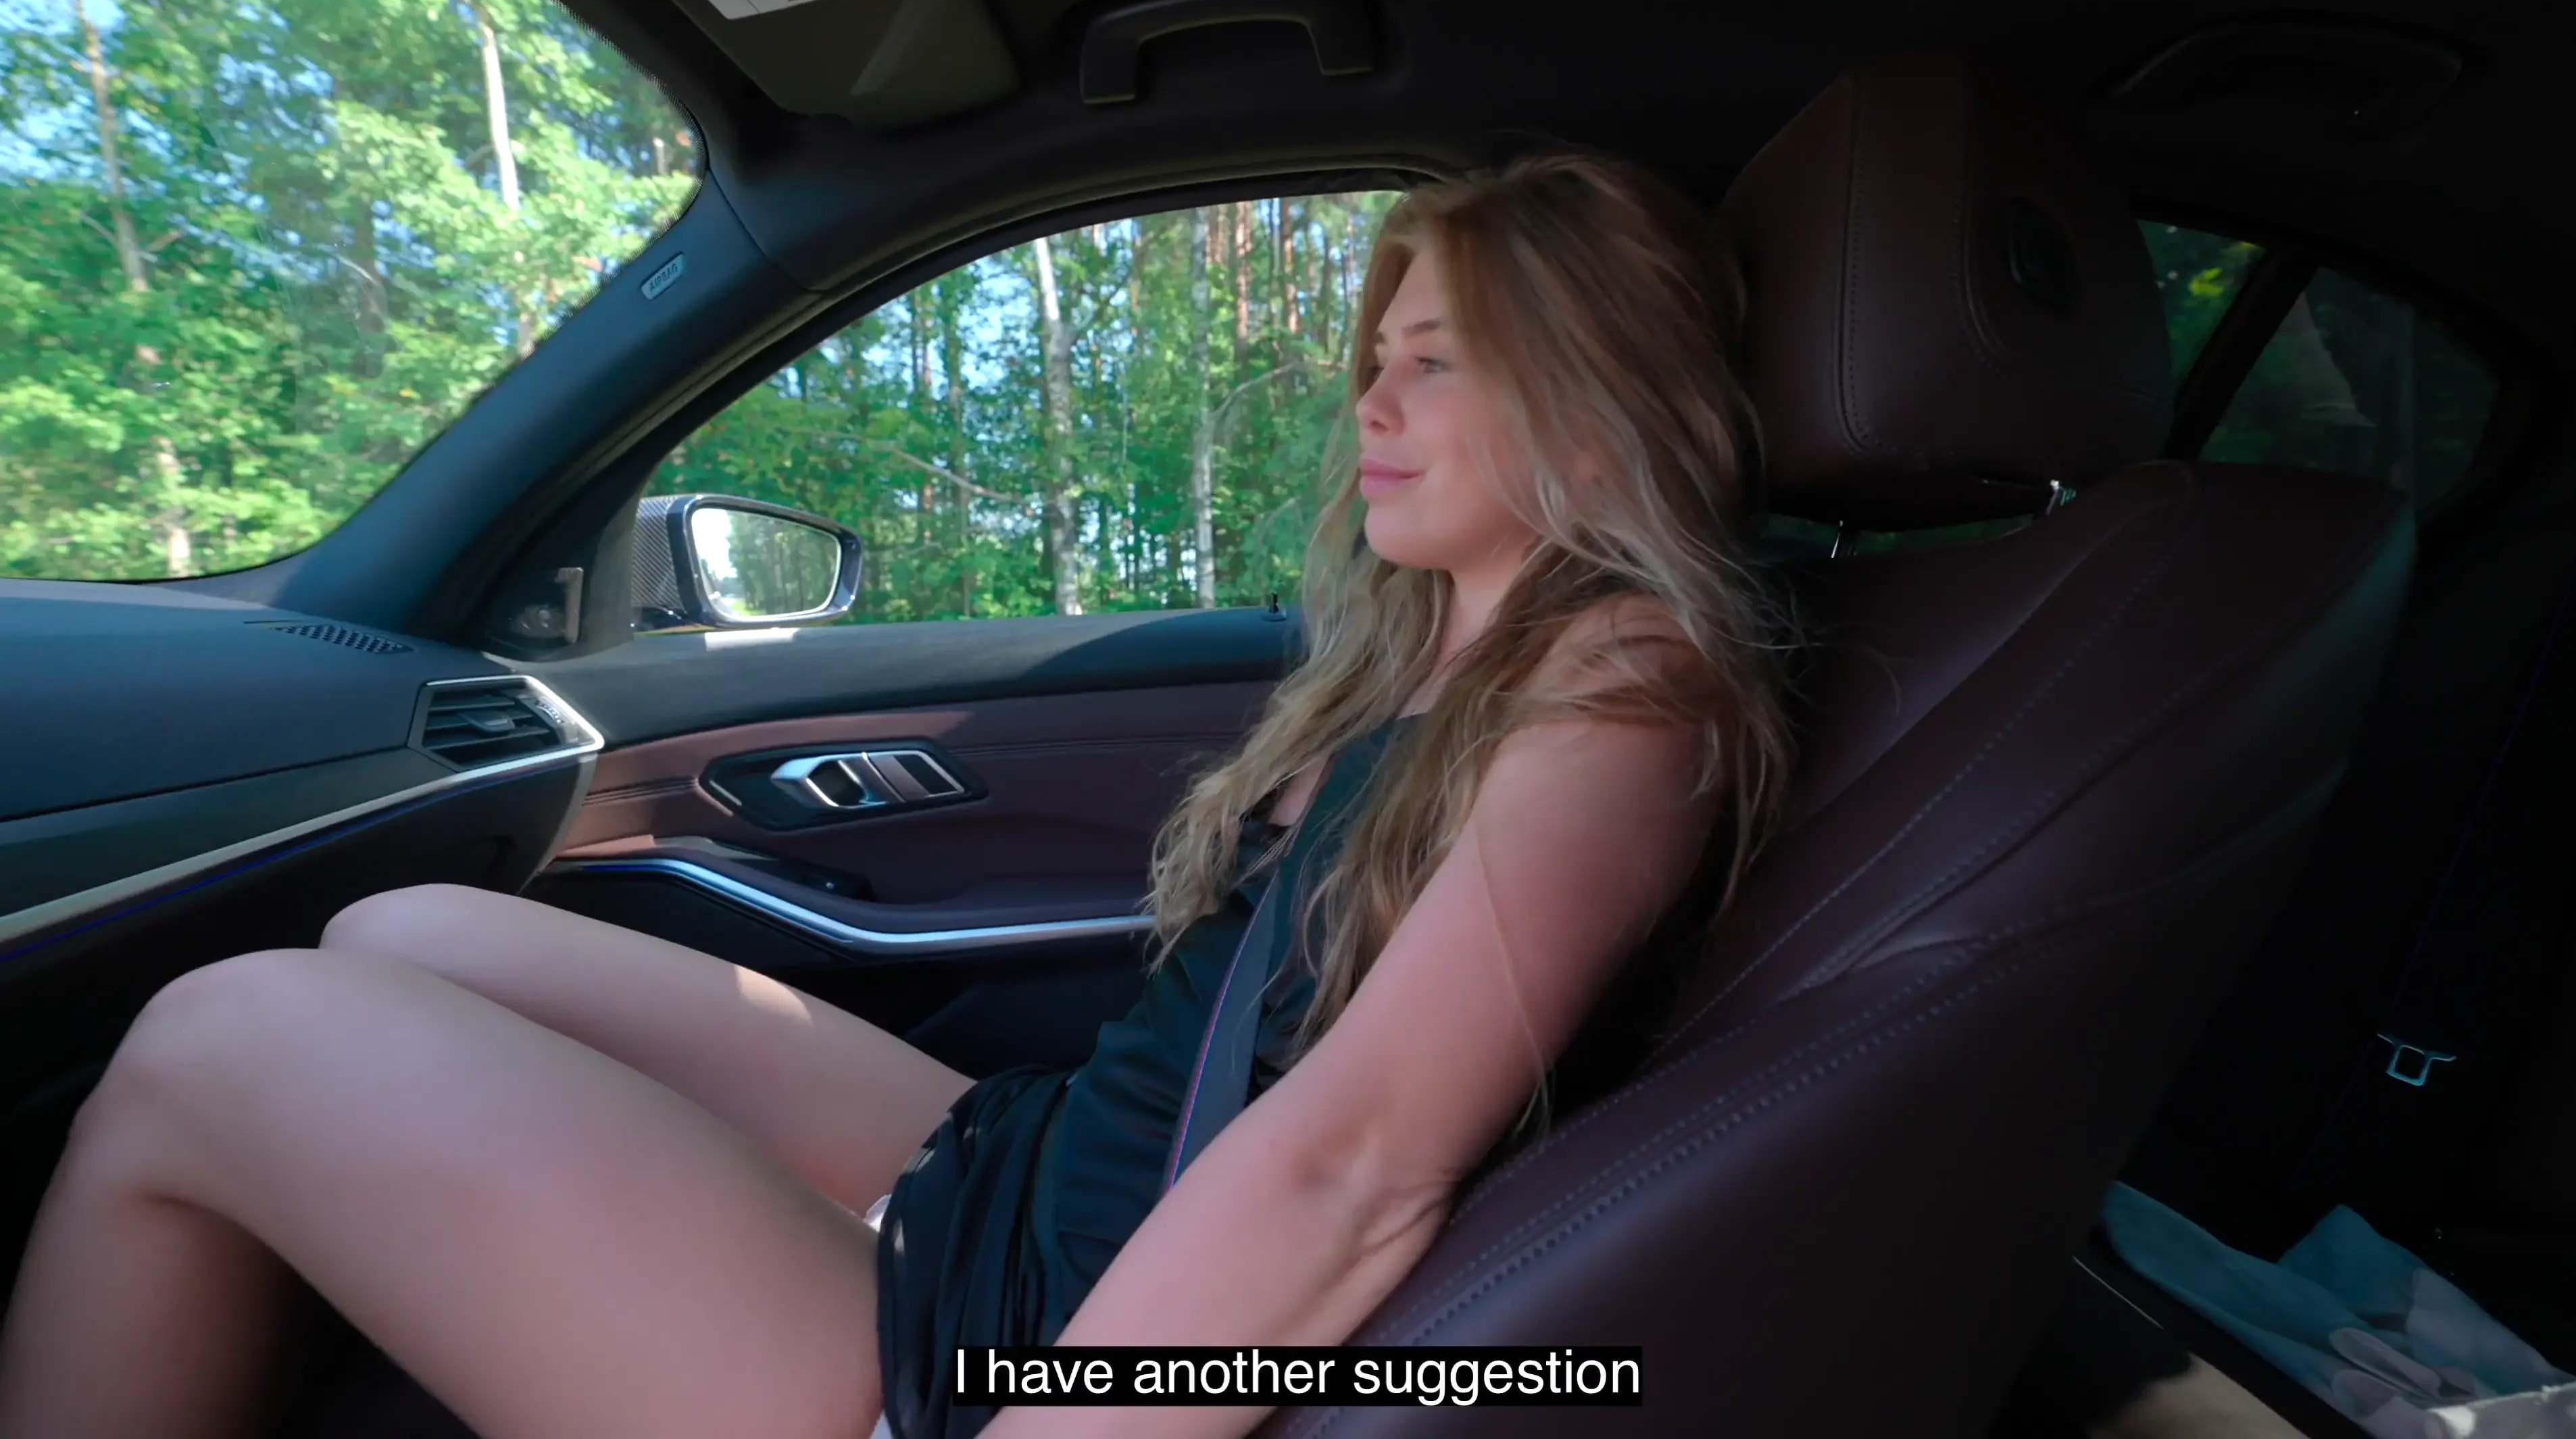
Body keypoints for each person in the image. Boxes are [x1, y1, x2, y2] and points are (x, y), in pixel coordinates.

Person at [0, 151, 1792, 1439]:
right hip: (1033, 1169)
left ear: (1588, 401)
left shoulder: (1622, 686)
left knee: (212, 1041)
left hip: (1013, 1335)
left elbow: (1362, 1165)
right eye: (1377, 361)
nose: (1371, 410)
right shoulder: (1438, 658)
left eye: (1435, 363)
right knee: (409, 928)